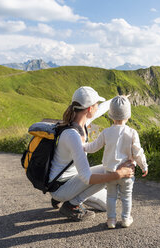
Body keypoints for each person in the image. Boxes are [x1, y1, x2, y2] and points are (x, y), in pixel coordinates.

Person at [49, 86, 135, 222]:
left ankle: (69, 198)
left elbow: (101, 109)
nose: (97, 107)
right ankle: (71, 205)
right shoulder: (73, 135)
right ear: (89, 109)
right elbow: (86, 177)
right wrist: (118, 174)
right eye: (96, 105)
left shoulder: (79, 122)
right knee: (108, 170)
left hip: (68, 180)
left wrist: (119, 99)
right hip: (61, 187)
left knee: (107, 205)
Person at [84, 95, 148, 228]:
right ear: (128, 116)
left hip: (110, 172)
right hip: (127, 172)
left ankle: (111, 220)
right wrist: (143, 166)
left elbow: (93, 147)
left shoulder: (106, 132)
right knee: (126, 196)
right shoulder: (132, 132)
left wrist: (81, 145)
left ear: (110, 115)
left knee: (111, 196)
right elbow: (137, 152)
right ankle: (125, 219)